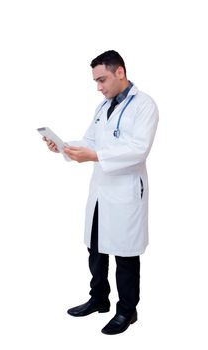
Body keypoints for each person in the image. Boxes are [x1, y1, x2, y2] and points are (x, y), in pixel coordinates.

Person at [43, 50, 159, 335]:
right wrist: (64, 147)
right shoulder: (102, 107)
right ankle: (99, 299)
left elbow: (137, 149)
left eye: (102, 79)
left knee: (125, 256)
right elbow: (90, 141)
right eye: (96, 81)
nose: (98, 87)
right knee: (95, 249)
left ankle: (127, 311)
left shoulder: (144, 105)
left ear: (120, 72)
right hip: (100, 193)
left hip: (126, 194)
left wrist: (94, 156)